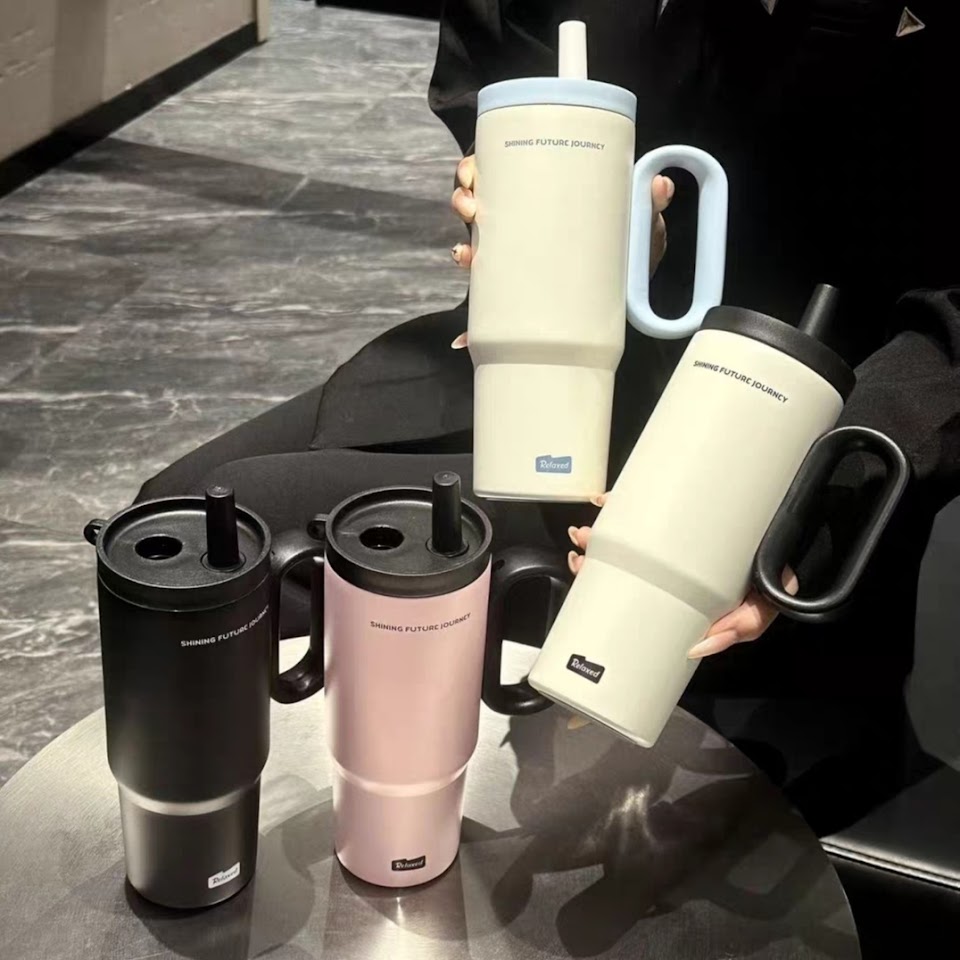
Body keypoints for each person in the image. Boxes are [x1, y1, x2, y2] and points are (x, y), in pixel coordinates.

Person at [140, 0, 959, 827]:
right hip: (543, 362)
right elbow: (503, 72)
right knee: (175, 521)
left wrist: (831, 485)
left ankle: (361, 849)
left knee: (228, 559)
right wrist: (509, 179)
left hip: (773, 452)